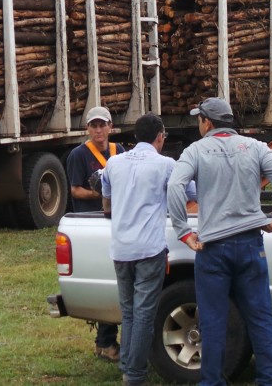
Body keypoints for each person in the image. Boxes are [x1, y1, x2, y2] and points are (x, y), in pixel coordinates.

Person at [167, 97, 272, 386]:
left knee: (212, 321)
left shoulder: (195, 151)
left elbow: (175, 186)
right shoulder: (256, 147)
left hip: (213, 249)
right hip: (251, 244)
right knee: (260, 317)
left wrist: (184, 231)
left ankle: (212, 381)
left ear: (207, 122)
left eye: (199, 119)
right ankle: (270, 380)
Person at [101, 114, 178, 386]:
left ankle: (128, 364)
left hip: (121, 249)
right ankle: (134, 374)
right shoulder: (166, 165)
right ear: (160, 136)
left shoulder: (113, 163)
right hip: (149, 248)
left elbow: (106, 203)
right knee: (144, 312)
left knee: (129, 311)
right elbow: (190, 192)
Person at [65, 105, 125, 361]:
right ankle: (106, 342)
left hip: (116, 221)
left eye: (102, 125)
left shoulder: (119, 152)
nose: (98, 130)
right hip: (92, 221)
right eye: (93, 125)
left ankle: (104, 343)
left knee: (112, 279)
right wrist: (100, 194)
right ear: (87, 129)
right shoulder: (78, 155)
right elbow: (75, 190)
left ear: (110, 127)